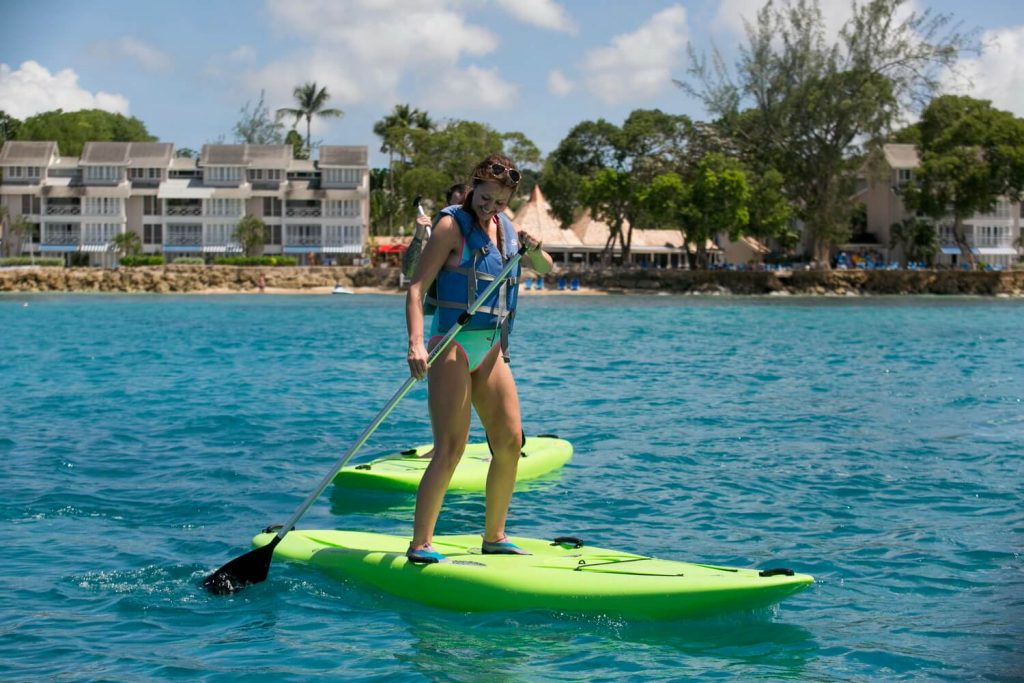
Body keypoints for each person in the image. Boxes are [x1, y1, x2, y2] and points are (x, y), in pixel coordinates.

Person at [404, 155, 552, 564]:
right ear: (473, 188)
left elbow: (547, 268)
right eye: (485, 197)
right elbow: (416, 289)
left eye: (499, 201)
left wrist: (534, 249)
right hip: (451, 344)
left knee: (509, 442)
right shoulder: (451, 226)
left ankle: (495, 535)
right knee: (450, 448)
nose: (490, 207)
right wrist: (417, 343)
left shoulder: (508, 230)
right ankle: (420, 545)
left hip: (490, 347)